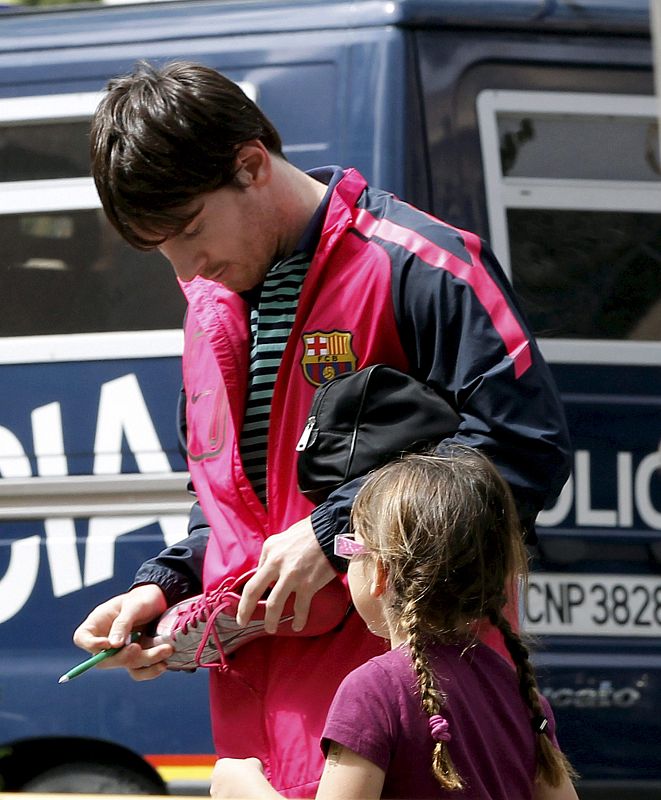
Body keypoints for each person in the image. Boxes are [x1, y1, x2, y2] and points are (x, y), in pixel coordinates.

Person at [72, 60, 572, 797]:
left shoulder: (422, 265)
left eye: (188, 230)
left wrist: (337, 536)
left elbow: (523, 449)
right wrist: (165, 586)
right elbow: (233, 506)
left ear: (250, 165)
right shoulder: (206, 311)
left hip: (412, 725)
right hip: (262, 735)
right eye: (159, 249)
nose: (185, 265)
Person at [210, 449, 579, 800]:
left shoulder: (372, 692)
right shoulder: (523, 698)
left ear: (380, 573)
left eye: (351, 547)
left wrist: (243, 789)